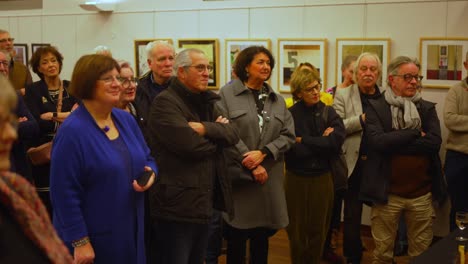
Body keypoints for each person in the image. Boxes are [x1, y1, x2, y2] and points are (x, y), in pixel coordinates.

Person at [50, 54, 157, 264]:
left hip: (131, 230)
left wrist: (151, 174)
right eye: (108, 79)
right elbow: (63, 193)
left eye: (119, 78)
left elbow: (148, 158)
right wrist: (80, 242)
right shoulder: (72, 132)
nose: (118, 84)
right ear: (87, 83)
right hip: (93, 238)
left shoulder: (125, 120)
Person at [147, 48, 238, 264]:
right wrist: (218, 136)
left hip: (202, 201)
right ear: (182, 72)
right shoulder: (165, 103)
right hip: (176, 207)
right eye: (200, 68)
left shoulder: (206, 101)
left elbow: (233, 133)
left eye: (208, 68)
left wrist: (205, 129)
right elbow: (190, 146)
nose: (207, 73)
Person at [361, 56, 447, 263]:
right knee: (382, 255)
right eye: (408, 77)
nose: (414, 82)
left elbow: (434, 143)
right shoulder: (376, 107)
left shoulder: (426, 108)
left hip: (421, 195)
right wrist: (415, 132)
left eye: (417, 77)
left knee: (421, 255)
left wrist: (394, 139)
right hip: (386, 194)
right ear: (392, 79)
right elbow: (377, 143)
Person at [218, 46, 295, 264]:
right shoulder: (226, 95)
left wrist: (263, 154)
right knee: (236, 243)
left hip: (267, 181)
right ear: (245, 66)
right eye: (260, 62)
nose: (266, 67)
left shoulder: (277, 100)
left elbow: (288, 136)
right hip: (240, 181)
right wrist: (250, 161)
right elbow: (225, 133)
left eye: (268, 63)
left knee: (262, 242)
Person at [0, 75, 73, 264]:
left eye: (12, 121)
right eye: (1, 123)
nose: (10, 133)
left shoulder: (17, 189)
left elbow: (31, 126)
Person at [285, 68, 345, 264]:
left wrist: (305, 140)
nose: (315, 92)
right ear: (298, 92)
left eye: (317, 87)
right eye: (309, 89)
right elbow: (293, 149)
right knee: (296, 230)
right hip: (296, 179)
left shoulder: (329, 112)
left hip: (322, 178)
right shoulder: (290, 115)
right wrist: (321, 141)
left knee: (319, 229)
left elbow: (335, 143)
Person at [333, 52, 383, 264]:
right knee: (352, 216)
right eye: (363, 69)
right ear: (355, 73)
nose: (368, 73)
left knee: (382, 214)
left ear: (378, 74)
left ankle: (383, 255)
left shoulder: (386, 97)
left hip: (378, 165)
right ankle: (353, 257)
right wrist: (361, 120)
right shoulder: (343, 95)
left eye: (372, 69)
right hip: (353, 164)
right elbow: (337, 128)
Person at [24, 46, 78, 217]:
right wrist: (67, 117)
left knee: (71, 198)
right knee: (47, 204)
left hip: (71, 150)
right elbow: (37, 123)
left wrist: (53, 115)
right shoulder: (33, 90)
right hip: (45, 154)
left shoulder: (72, 87)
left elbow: (80, 118)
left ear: (60, 63)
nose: (50, 65)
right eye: (45, 62)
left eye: (53, 60)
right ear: (39, 68)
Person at [0, 49, 38, 183]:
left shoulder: (15, 96)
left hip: (18, 170)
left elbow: (33, 127)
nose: (2, 68)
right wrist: (18, 122)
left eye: (5, 63)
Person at [443, 51, 468, 231]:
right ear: (466, 65)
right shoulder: (456, 91)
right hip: (458, 159)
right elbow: (450, 119)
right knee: (459, 210)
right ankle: (456, 253)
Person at [135, 40, 175, 139]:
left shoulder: (185, 87)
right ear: (149, 63)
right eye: (162, 59)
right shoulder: (137, 88)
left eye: (171, 58)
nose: (168, 63)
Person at [0, 29, 33, 95]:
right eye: (3, 41)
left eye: (10, 40)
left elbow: (31, 93)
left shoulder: (22, 69)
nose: (8, 43)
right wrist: (19, 92)